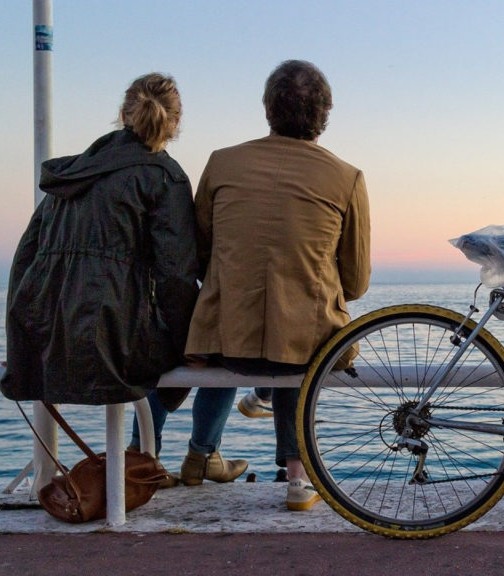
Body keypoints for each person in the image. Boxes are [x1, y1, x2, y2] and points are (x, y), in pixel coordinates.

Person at [183, 59, 371, 510]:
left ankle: (196, 457)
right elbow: (357, 281)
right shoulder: (347, 178)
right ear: (325, 113)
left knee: (238, 330)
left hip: (222, 340)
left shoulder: (222, 162)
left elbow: (200, 249)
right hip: (300, 347)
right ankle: (297, 481)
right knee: (299, 342)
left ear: (267, 108)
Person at [1, 73, 198, 485]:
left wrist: (22, 341)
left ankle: (143, 457)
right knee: (214, 348)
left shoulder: (72, 174)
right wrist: (190, 346)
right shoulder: (165, 177)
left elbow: (25, 261)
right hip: (115, 343)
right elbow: (176, 279)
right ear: (175, 124)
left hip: (47, 338)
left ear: (123, 114)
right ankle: (177, 455)